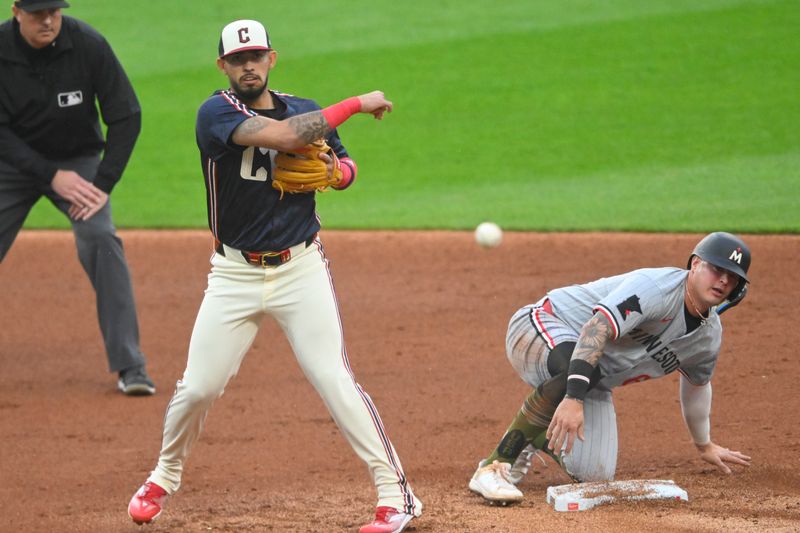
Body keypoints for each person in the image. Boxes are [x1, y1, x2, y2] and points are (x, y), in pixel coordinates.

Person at [127, 20, 421, 533]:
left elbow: (346, 165)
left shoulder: (305, 106)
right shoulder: (215, 112)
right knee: (198, 387)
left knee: (334, 379)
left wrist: (335, 174)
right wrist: (355, 101)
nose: (248, 65)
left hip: (300, 268)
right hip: (233, 275)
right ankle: (164, 476)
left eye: (256, 56)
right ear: (223, 65)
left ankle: (397, 495)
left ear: (271, 59)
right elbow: (287, 136)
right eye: (238, 58)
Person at [469, 232, 753, 503]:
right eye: (717, 269)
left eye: (732, 278)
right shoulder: (657, 288)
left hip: (591, 375)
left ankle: (531, 435)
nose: (723, 280)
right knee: (583, 374)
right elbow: (596, 328)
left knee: (595, 475)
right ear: (695, 264)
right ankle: (495, 464)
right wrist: (573, 398)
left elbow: (697, 386)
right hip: (543, 325)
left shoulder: (707, 337)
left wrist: (704, 445)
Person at [0, 0, 155, 395]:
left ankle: (130, 365)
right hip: (13, 164)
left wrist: (102, 184)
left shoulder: (87, 44)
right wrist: (51, 175)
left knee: (102, 241)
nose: (48, 19)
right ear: (16, 11)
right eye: (37, 13)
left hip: (80, 161)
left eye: (54, 10)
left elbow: (127, 115)